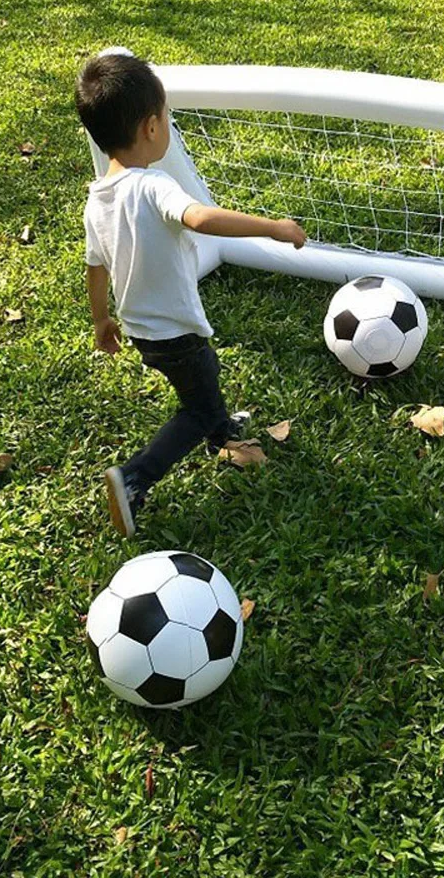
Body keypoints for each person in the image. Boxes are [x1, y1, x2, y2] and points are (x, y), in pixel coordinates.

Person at [76, 51, 306, 537]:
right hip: (176, 330)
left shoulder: (97, 199)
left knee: (202, 383)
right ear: (151, 128)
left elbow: (95, 267)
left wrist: (101, 321)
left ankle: (222, 430)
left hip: (140, 331)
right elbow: (199, 218)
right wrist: (274, 228)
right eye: (167, 117)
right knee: (195, 405)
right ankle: (135, 477)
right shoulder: (153, 185)